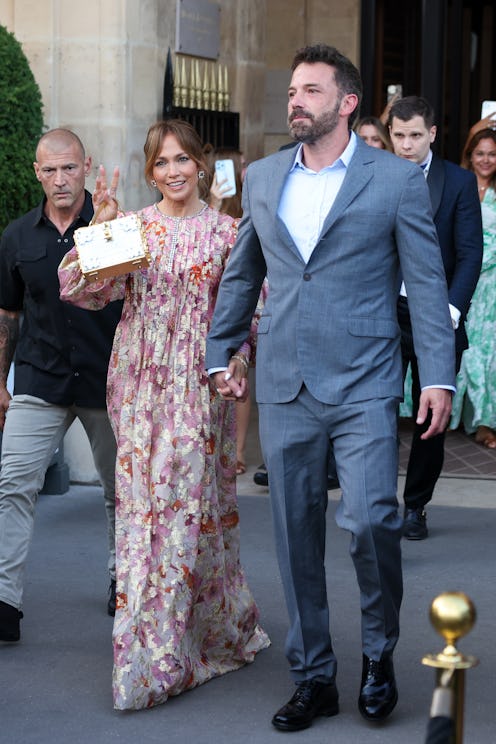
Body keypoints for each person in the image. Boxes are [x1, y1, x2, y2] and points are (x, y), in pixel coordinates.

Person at [206, 44, 455, 732]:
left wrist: (436, 374)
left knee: (373, 519)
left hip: (365, 380)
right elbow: (243, 271)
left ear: (346, 103)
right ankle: (313, 674)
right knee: (293, 533)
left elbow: (427, 283)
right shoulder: (261, 177)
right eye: (292, 90)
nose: (296, 100)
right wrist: (220, 350)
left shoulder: (394, 180)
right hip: (286, 381)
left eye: (311, 90)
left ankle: (379, 656)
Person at [58, 119, 269, 710]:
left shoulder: (229, 234)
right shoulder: (136, 230)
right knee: (143, 513)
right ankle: (149, 648)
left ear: (201, 164)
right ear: (150, 171)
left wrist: (236, 366)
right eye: (161, 163)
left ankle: (171, 649)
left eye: (182, 159)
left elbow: (248, 315)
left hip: (199, 389)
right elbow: (79, 289)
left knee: (188, 512)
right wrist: (95, 232)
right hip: (139, 384)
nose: (173, 171)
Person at [0, 129, 122, 643]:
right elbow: (7, 314)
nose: (60, 179)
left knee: (121, 491)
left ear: (85, 164)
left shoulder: (114, 222)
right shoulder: (17, 236)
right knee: (12, 485)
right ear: (36, 173)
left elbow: (121, 293)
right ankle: (4, 602)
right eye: (49, 170)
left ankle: (124, 578)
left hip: (105, 378)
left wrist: (105, 234)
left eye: (68, 168)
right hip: (38, 376)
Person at [388, 96, 483, 539]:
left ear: (431, 134)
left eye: (413, 136)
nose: (405, 145)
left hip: (437, 316)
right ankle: (377, 500)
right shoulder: (374, 176)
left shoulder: (459, 182)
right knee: (377, 411)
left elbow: (470, 254)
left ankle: (416, 507)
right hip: (385, 314)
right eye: (398, 135)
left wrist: (450, 311)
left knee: (431, 419)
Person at [206, 145, 258, 475]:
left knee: (239, 376)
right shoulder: (207, 209)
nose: (241, 173)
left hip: (241, 302)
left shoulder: (249, 203)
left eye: (243, 165)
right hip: (209, 308)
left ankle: (237, 450)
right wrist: (214, 201)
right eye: (233, 167)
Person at [450, 127, 496, 447]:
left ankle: (484, 421)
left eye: (492, 154)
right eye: (480, 153)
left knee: (488, 355)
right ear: (470, 155)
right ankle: (454, 413)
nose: (486, 159)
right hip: (465, 282)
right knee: (464, 350)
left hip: (493, 287)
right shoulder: (459, 187)